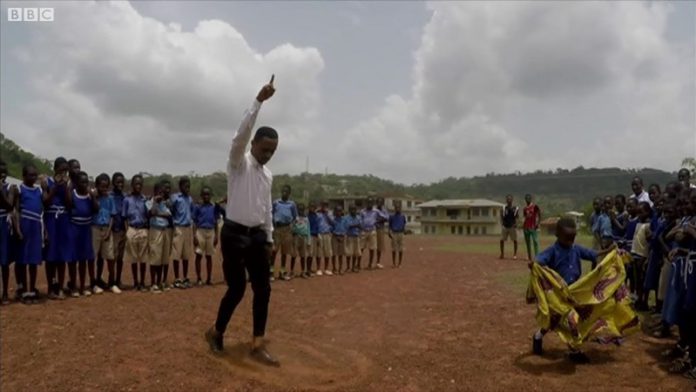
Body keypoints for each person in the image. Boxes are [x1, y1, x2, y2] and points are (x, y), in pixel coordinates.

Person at [205, 77, 280, 366]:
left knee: (264, 288)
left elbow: (267, 208)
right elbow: (240, 135)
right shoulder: (239, 163)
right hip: (234, 234)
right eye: (264, 149)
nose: (268, 154)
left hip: (258, 236)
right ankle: (216, 331)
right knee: (237, 289)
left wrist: (270, 238)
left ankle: (257, 344)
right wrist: (258, 101)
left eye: (273, 151)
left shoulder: (268, 175)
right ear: (254, 145)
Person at [529, 217, 614, 363]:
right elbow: (539, 260)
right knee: (563, 320)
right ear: (557, 235)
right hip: (559, 294)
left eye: (573, 237)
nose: (570, 240)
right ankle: (573, 350)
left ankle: (544, 338)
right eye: (567, 237)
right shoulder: (552, 251)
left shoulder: (576, 249)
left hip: (575, 292)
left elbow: (591, 254)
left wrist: (609, 251)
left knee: (564, 321)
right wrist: (533, 264)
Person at [13, 164, 44, 304]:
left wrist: (46, 231)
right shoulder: (20, 190)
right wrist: (18, 229)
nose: (33, 177)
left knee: (33, 261)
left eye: (35, 175)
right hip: (25, 224)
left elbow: (42, 212)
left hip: (36, 226)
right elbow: (17, 211)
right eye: (30, 175)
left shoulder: (38, 191)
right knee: (23, 260)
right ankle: (24, 290)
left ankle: (32, 288)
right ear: (23, 176)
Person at [41, 157, 71, 299]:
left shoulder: (68, 184)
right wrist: (55, 187)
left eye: (66, 170)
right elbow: (45, 202)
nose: (64, 172)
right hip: (51, 219)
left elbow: (69, 204)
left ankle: (60, 286)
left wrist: (64, 187)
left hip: (63, 219)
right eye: (62, 169)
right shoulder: (47, 182)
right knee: (50, 254)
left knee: (62, 255)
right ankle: (50, 287)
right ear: (55, 169)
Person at [67, 171, 100, 297]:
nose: (85, 184)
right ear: (76, 183)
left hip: (86, 230)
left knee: (83, 260)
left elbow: (96, 209)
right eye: (82, 182)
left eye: (86, 182)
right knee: (73, 260)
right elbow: (69, 206)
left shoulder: (89, 196)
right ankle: (73, 286)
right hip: (75, 229)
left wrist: (93, 197)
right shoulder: (73, 194)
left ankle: (82, 286)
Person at [92, 173, 120, 294]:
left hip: (106, 229)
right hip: (95, 228)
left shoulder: (110, 199)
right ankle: (94, 282)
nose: (104, 189)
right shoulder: (93, 198)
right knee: (94, 257)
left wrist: (109, 231)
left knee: (110, 256)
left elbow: (112, 216)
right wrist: (93, 197)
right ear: (97, 186)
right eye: (101, 186)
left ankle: (112, 282)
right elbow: (93, 209)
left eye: (106, 187)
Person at [122, 174, 149, 291]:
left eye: (140, 184)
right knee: (133, 258)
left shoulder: (145, 200)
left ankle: (142, 282)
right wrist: (127, 231)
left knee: (143, 259)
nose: (138, 186)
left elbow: (149, 214)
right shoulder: (127, 200)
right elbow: (124, 217)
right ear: (132, 185)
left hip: (143, 229)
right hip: (132, 228)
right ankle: (135, 282)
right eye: (136, 184)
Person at [146, 181, 173, 293]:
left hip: (165, 230)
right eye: (159, 192)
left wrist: (159, 214)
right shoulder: (149, 202)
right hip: (155, 231)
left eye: (162, 192)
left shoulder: (165, 203)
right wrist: (155, 204)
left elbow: (168, 215)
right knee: (155, 258)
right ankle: (153, 283)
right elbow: (151, 213)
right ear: (155, 192)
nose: (161, 194)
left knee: (164, 258)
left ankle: (161, 281)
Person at [171, 177, 194, 289]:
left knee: (186, 255)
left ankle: (185, 277)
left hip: (187, 228)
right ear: (180, 187)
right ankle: (177, 279)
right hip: (178, 228)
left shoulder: (189, 199)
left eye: (189, 186)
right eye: (186, 186)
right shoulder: (176, 198)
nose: (188, 188)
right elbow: (171, 211)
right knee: (176, 254)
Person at [193, 186, 219, 285]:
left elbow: (216, 222)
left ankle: (209, 278)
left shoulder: (214, 207)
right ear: (201, 196)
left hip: (211, 231)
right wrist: (194, 235)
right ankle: (199, 278)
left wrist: (216, 235)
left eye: (208, 194)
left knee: (209, 256)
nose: (206, 196)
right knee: (198, 255)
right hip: (200, 231)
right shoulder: (198, 207)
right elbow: (194, 222)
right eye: (204, 194)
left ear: (211, 196)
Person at [271, 185, 297, 281]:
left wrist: (291, 226)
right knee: (274, 251)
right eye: (283, 191)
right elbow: (271, 214)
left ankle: (282, 271)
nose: (284, 193)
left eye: (286, 192)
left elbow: (295, 217)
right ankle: (271, 271)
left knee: (284, 252)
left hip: (287, 229)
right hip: (277, 228)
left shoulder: (292, 204)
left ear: (289, 193)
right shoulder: (276, 203)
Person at [630, 202, 652, 311]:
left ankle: (644, 302)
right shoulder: (638, 223)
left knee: (643, 281)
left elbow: (648, 243)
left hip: (642, 256)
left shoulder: (648, 226)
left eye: (641, 212)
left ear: (647, 212)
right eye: (637, 212)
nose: (639, 214)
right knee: (637, 280)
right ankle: (638, 300)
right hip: (635, 254)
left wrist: (645, 258)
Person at [0, 160, 16, 304]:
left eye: (5, 172)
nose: (2, 174)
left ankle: (5, 292)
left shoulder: (11, 187)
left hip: (4, 223)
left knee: (4, 261)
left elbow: (9, 205)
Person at [110, 172, 127, 291]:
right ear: (113, 183)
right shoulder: (109, 196)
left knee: (120, 258)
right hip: (112, 230)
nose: (120, 184)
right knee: (112, 257)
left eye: (122, 182)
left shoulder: (125, 197)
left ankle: (118, 279)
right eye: (118, 182)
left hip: (123, 229)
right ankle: (111, 280)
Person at [291, 203, 311, 278]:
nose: (301, 211)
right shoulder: (295, 218)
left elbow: (308, 229)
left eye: (302, 210)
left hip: (304, 237)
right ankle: (292, 271)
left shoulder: (306, 219)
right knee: (294, 255)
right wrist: (295, 231)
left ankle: (303, 272)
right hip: (296, 237)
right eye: (299, 209)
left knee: (303, 255)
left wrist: (309, 240)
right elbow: (292, 227)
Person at [360, 197, 380, 269]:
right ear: (366, 203)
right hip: (364, 231)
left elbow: (385, 217)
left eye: (371, 202)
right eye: (368, 202)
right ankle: (358, 264)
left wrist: (377, 222)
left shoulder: (376, 211)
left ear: (373, 203)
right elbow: (360, 220)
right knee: (361, 248)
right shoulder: (362, 211)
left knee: (372, 248)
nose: (369, 204)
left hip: (372, 231)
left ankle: (370, 264)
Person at [316, 201, 334, 276]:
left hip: (327, 234)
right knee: (319, 252)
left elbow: (332, 222)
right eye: (323, 205)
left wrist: (327, 215)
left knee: (327, 252)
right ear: (321, 205)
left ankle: (326, 269)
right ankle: (318, 269)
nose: (324, 207)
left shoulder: (330, 213)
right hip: (319, 233)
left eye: (326, 206)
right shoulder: (317, 213)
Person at [522, 194, 541, 261]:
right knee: (528, 242)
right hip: (526, 227)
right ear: (525, 200)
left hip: (533, 226)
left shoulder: (535, 206)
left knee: (535, 241)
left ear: (531, 199)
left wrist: (538, 223)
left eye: (529, 198)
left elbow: (539, 214)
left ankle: (537, 256)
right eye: (526, 198)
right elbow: (524, 217)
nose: (528, 199)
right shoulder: (525, 208)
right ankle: (529, 256)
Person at [388, 201, 407, 268]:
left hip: (401, 233)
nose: (398, 209)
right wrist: (389, 232)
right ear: (395, 209)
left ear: (401, 208)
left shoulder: (403, 216)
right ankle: (394, 263)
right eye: (396, 208)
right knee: (394, 249)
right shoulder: (391, 217)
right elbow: (389, 225)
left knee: (400, 249)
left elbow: (404, 224)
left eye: (399, 208)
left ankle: (399, 263)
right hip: (394, 233)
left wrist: (404, 231)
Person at [500, 195, 519, 259]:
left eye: (510, 199)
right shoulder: (504, 208)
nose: (509, 200)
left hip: (512, 226)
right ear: (506, 200)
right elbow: (502, 215)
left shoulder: (515, 208)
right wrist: (502, 222)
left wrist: (516, 223)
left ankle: (515, 254)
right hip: (505, 226)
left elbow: (517, 217)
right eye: (508, 199)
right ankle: (502, 254)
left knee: (515, 240)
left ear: (512, 200)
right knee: (502, 240)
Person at [331, 205, 348, 275]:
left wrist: (343, 235)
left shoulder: (344, 219)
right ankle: (334, 268)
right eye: (337, 211)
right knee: (334, 254)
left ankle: (340, 268)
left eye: (340, 211)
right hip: (335, 237)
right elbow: (331, 228)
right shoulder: (333, 219)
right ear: (335, 211)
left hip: (342, 237)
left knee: (341, 254)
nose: (339, 212)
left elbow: (346, 228)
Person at [346, 205, 362, 272]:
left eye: (355, 210)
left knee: (356, 253)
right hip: (349, 236)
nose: (354, 211)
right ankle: (348, 267)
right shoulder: (346, 218)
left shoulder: (358, 217)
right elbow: (348, 226)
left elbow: (360, 226)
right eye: (352, 210)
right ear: (349, 211)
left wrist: (356, 226)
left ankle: (353, 267)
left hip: (356, 236)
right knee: (349, 253)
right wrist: (356, 225)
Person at [375, 197, 389, 269]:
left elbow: (386, 218)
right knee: (371, 246)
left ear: (383, 203)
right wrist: (380, 219)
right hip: (373, 229)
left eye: (381, 202)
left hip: (380, 229)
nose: (379, 203)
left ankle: (378, 262)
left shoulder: (384, 210)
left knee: (379, 246)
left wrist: (378, 220)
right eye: (378, 202)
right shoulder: (373, 210)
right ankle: (370, 262)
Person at [307, 201, 320, 276]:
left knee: (313, 253)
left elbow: (317, 226)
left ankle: (310, 269)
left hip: (315, 235)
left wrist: (318, 236)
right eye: (311, 207)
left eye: (313, 207)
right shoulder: (308, 216)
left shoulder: (315, 215)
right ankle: (308, 270)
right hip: (310, 235)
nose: (312, 208)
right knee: (310, 253)